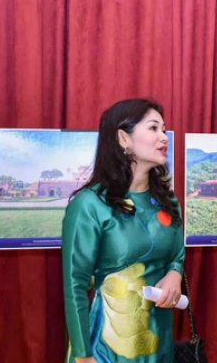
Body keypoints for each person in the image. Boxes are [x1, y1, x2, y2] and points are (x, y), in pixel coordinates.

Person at [63, 99, 185, 363]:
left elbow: (176, 256)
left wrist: (174, 274)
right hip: (106, 346)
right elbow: (75, 285)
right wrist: (83, 355)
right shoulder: (90, 204)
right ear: (123, 138)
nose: (164, 137)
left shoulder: (168, 202)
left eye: (164, 129)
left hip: (158, 338)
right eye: (153, 128)